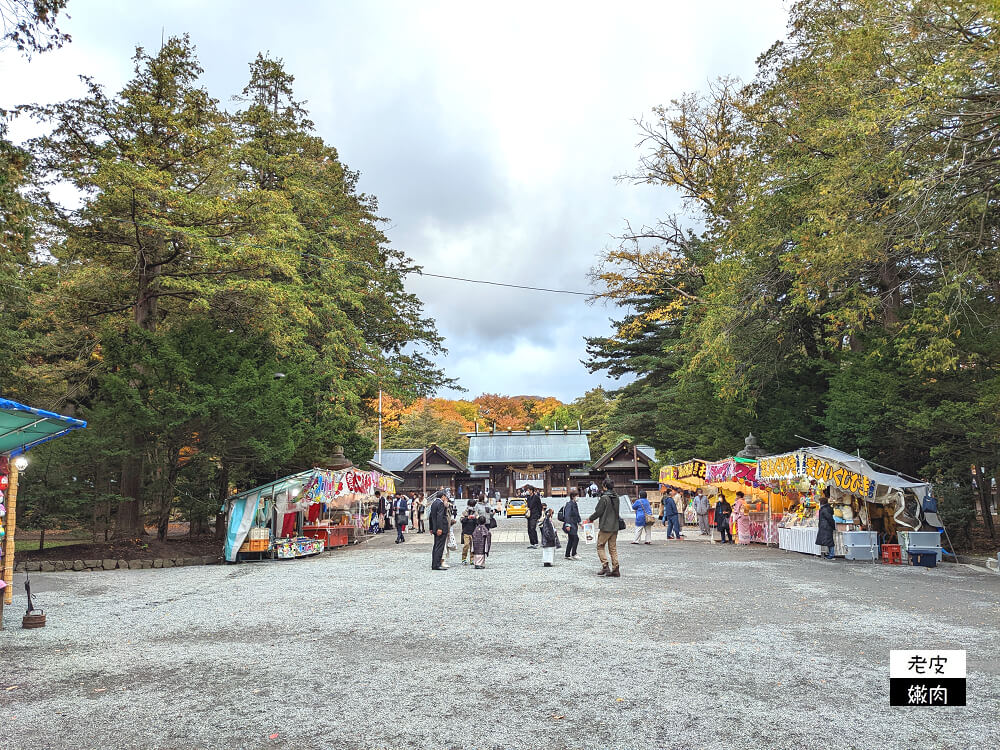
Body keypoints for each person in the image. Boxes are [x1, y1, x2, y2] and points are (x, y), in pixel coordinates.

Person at [589, 478, 622, 577]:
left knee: (600, 545)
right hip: (615, 526)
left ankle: (605, 566)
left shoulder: (604, 498)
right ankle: (616, 569)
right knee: (613, 548)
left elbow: (598, 511)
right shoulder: (616, 497)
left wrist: (590, 519)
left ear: (605, 486)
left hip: (606, 526)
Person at [429, 492, 449, 570]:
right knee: (440, 546)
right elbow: (440, 516)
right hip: (440, 528)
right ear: (443, 497)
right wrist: (440, 528)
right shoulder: (440, 504)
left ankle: (434, 563)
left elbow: (431, 516)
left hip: (434, 527)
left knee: (436, 546)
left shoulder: (433, 503)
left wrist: (431, 527)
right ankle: (437, 564)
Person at [561, 489, 583, 560]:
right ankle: (574, 553)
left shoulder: (575, 504)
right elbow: (567, 515)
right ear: (573, 496)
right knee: (576, 538)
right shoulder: (569, 504)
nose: (578, 497)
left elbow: (577, 514)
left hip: (574, 524)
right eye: (577, 496)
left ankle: (567, 554)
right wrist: (567, 525)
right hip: (570, 524)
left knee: (571, 539)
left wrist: (580, 523)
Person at [460, 500, 477, 565]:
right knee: (466, 545)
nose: (471, 507)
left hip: (473, 532)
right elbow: (461, 520)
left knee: (473, 546)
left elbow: (478, 521)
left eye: (473, 506)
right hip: (466, 532)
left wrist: (474, 518)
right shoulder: (464, 512)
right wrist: (467, 518)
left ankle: (472, 559)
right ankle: (464, 558)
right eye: (471, 505)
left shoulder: (475, 512)